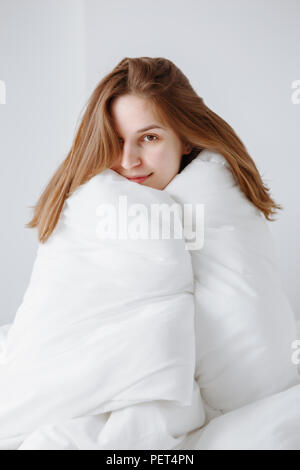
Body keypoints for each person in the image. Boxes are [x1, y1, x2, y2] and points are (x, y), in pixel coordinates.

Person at [26, 56, 281, 241]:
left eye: (149, 138)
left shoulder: (218, 208)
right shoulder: (83, 214)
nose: (128, 161)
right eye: (116, 140)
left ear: (186, 139)